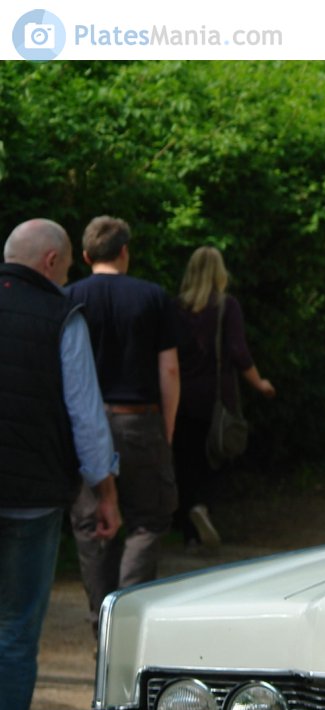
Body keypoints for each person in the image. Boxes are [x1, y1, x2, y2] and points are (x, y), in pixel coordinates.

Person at [1, 218, 121, 710]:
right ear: (50, 261)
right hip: (30, 496)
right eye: (68, 265)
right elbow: (85, 413)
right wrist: (105, 493)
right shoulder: (60, 317)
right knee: (17, 634)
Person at [66, 215, 181, 634]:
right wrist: (165, 429)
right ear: (124, 252)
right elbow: (168, 371)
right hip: (140, 422)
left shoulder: (68, 297)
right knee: (148, 520)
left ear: (84, 255)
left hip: (83, 428)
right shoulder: (153, 297)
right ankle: (128, 621)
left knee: (90, 522)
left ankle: (101, 622)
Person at [173, 247, 277, 548]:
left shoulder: (175, 306)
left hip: (180, 397)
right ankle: (203, 508)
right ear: (219, 273)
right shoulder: (225, 306)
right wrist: (260, 383)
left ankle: (190, 530)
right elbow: (237, 351)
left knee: (186, 459)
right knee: (216, 455)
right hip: (217, 399)